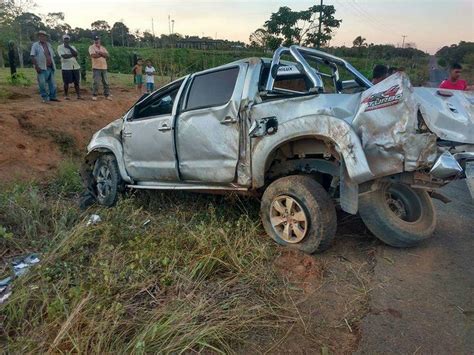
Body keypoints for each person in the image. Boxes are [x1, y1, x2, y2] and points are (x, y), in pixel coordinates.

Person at [30, 30, 59, 103]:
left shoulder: (49, 45)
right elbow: (32, 56)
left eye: (43, 36)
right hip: (41, 67)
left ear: (46, 37)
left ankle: (52, 97)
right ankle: (45, 97)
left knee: (52, 84)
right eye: (40, 35)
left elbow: (52, 55)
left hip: (50, 67)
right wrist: (36, 67)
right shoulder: (35, 45)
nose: (41, 37)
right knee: (42, 84)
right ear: (38, 37)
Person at [57, 34, 82, 100]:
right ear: (63, 39)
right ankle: (66, 95)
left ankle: (78, 95)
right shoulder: (60, 47)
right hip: (66, 67)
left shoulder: (72, 47)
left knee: (76, 82)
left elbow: (76, 54)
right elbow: (64, 56)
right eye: (65, 39)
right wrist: (72, 55)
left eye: (67, 39)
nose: (66, 40)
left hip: (75, 66)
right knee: (66, 82)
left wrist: (69, 47)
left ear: (69, 40)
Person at [89, 35, 111, 101]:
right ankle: (94, 95)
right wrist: (102, 55)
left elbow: (107, 56)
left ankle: (107, 95)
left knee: (106, 82)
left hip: (104, 67)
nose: (96, 41)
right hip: (96, 67)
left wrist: (100, 53)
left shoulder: (103, 48)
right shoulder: (91, 47)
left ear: (99, 40)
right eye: (95, 40)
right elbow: (93, 56)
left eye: (97, 39)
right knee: (96, 82)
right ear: (93, 40)